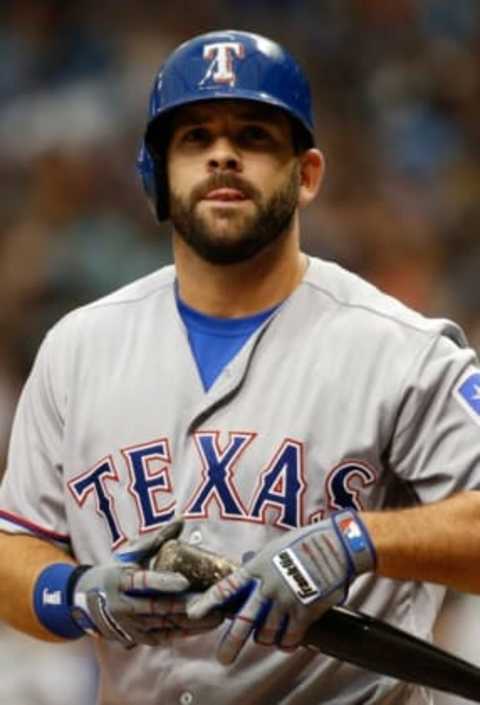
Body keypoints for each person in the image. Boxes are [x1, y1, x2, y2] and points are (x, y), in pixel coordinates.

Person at [0, 28, 480, 705]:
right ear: (156, 172)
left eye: (254, 135)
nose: (223, 154)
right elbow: (15, 547)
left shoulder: (400, 348)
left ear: (306, 174)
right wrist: (77, 593)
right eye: (195, 138)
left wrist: (357, 539)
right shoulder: (77, 347)